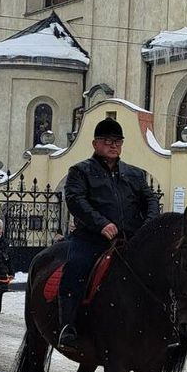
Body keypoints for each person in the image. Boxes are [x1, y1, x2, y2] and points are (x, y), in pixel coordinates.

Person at [58, 117, 160, 348]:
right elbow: (75, 200)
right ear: (95, 144)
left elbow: (150, 199)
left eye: (117, 141)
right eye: (107, 141)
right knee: (76, 268)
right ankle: (69, 325)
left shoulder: (134, 174)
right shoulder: (80, 171)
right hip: (92, 238)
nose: (113, 145)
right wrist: (101, 223)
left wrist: (148, 227)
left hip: (130, 240)